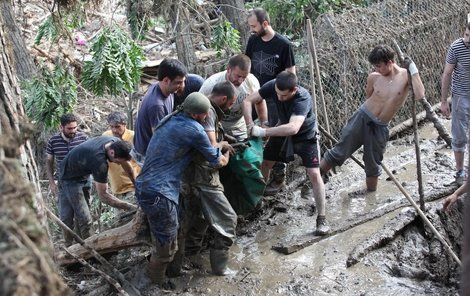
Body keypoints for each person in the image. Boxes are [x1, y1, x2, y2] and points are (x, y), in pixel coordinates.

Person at [134, 93, 233, 289]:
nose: (206, 119)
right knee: (166, 246)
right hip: (160, 193)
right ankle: (153, 285)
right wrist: (226, 150)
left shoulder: (168, 119)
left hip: (146, 185)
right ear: (197, 115)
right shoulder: (195, 129)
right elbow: (217, 161)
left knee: (173, 233)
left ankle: (168, 274)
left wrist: (218, 144)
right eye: (205, 115)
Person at [320, 44, 425, 192]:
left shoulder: (406, 77)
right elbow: (369, 97)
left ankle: (370, 198)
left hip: (380, 127)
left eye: (379, 66)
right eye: (374, 66)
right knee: (339, 151)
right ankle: (312, 180)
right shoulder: (374, 77)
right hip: (362, 117)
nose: (376, 69)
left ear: (390, 62)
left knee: (372, 163)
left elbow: (420, 94)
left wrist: (413, 70)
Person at [243, 71, 329, 235]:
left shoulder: (302, 98)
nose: (279, 98)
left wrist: (262, 132)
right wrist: (249, 125)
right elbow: (248, 100)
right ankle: (258, 203)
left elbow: (293, 128)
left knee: (313, 173)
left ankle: (321, 218)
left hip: (305, 135)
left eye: (283, 96)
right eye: (276, 94)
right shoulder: (274, 85)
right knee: (266, 163)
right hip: (280, 131)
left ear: (294, 89)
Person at [183, 81, 238, 276]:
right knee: (227, 218)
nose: (230, 108)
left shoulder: (205, 109)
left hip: (192, 174)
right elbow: (214, 157)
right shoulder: (209, 112)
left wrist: (226, 139)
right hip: (203, 175)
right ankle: (220, 267)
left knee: (201, 218)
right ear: (223, 99)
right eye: (231, 104)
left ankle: (188, 258)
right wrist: (226, 151)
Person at [245, 8, 297, 194]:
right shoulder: (253, 40)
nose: (251, 30)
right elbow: (248, 66)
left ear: (265, 24)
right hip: (256, 93)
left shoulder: (283, 44)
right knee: (247, 129)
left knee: (276, 136)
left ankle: (278, 176)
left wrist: (286, 98)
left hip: (276, 97)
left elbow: (291, 73)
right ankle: (253, 171)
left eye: (254, 26)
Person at [58, 136, 137, 245]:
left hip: (84, 173)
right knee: (84, 219)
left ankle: (81, 243)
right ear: (112, 153)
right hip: (69, 178)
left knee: (81, 217)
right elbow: (104, 196)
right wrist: (130, 207)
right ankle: (88, 250)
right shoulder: (99, 161)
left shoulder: (117, 143)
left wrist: (136, 185)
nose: (118, 164)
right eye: (117, 161)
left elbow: (126, 165)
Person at [133, 58, 187, 165]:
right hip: (148, 154)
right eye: (178, 83)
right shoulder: (156, 106)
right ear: (166, 80)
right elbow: (160, 139)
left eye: (183, 82)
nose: (182, 86)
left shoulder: (162, 87)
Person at [200, 54, 262, 141]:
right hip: (214, 127)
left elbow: (259, 101)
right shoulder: (211, 83)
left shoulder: (251, 81)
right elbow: (199, 109)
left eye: (244, 77)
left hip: (239, 126)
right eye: (238, 76)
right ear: (228, 69)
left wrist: (263, 122)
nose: (241, 81)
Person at [440, 23, 470, 184]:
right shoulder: (457, 47)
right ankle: (459, 172)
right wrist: (444, 101)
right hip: (461, 97)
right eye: (466, 35)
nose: (467, 40)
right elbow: (447, 74)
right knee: (459, 136)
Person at [102, 111, 141, 217]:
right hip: (116, 187)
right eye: (112, 127)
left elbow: (141, 159)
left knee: (133, 216)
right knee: (119, 219)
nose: (115, 130)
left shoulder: (134, 136)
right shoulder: (106, 137)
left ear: (125, 124)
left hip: (132, 185)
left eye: (118, 127)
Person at [46, 113, 89, 198]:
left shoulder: (83, 138)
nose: (73, 131)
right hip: (64, 181)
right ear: (61, 127)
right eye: (69, 128)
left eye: (75, 128)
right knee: (65, 210)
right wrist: (51, 183)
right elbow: (49, 161)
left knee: (83, 209)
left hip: (83, 180)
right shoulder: (53, 141)